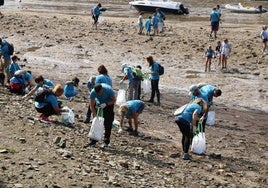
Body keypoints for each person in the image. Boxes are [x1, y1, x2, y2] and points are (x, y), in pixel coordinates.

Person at [87, 83, 116, 148]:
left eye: (100, 92)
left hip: (109, 104)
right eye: (97, 93)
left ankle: (106, 142)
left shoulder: (108, 90)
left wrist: (106, 104)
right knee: (97, 123)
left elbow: (114, 100)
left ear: (102, 89)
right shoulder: (93, 92)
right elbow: (91, 105)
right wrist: (94, 115)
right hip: (99, 105)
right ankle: (93, 141)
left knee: (108, 123)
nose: (99, 94)